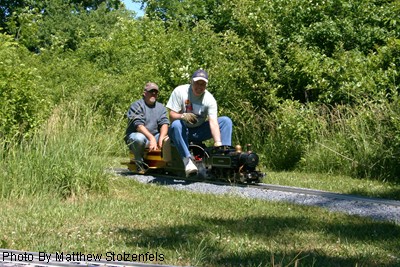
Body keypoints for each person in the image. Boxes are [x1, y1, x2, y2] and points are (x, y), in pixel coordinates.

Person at [166, 69, 233, 177]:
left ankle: (224, 157)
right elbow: (172, 116)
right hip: (182, 131)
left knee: (225, 121)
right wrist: (183, 116)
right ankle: (187, 160)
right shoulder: (180, 91)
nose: (199, 87)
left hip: (198, 131)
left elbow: (213, 122)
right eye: (197, 83)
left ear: (206, 85)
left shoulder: (209, 99)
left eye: (203, 84)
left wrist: (218, 143)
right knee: (176, 124)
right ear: (191, 82)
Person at [124, 82, 169, 171]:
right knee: (138, 138)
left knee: (170, 137)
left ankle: (167, 164)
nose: (154, 94)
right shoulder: (136, 105)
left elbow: (164, 123)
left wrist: (161, 138)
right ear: (144, 93)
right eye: (151, 92)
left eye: (156, 92)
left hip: (155, 136)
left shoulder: (161, 107)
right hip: (137, 136)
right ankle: (139, 163)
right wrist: (151, 138)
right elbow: (138, 126)